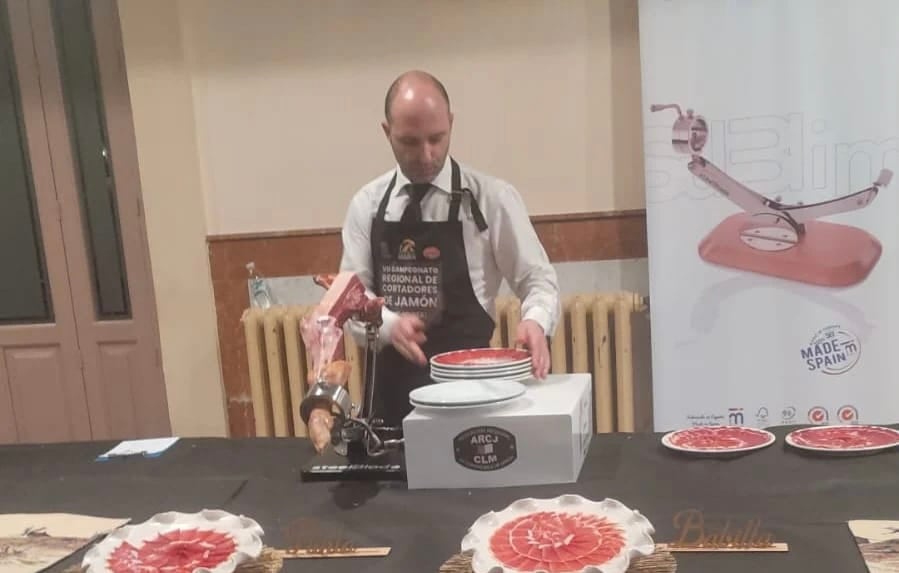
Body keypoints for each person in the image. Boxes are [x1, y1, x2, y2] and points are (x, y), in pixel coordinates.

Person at [339, 70, 560, 427]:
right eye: (410, 142)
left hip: (472, 400)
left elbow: (539, 281)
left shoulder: (492, 200)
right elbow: (348, 301)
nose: (427, 155)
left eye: (437, 138)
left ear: (451, 124)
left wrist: (536, 321)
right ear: (386, 132)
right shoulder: (366, 205)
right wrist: (389, 326)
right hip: (388, 405)